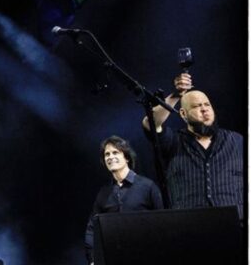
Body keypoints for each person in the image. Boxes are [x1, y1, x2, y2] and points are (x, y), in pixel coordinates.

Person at [142, 72, 244, 216]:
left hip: (235, 225)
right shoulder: (174, 141)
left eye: (207, 104)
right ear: (183, 114)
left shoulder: (236, 140)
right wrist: (176, 95)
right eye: (197, 106)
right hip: (189, 226)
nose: (204, 109)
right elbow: (149, 123)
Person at [83, 136, 163, 264]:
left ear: (126, 157)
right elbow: (92, 230)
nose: (110, 157)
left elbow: (162, 224)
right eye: (107, 154)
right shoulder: (104, 193)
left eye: (115, 152)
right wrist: (93, 259)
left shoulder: (147, 186)